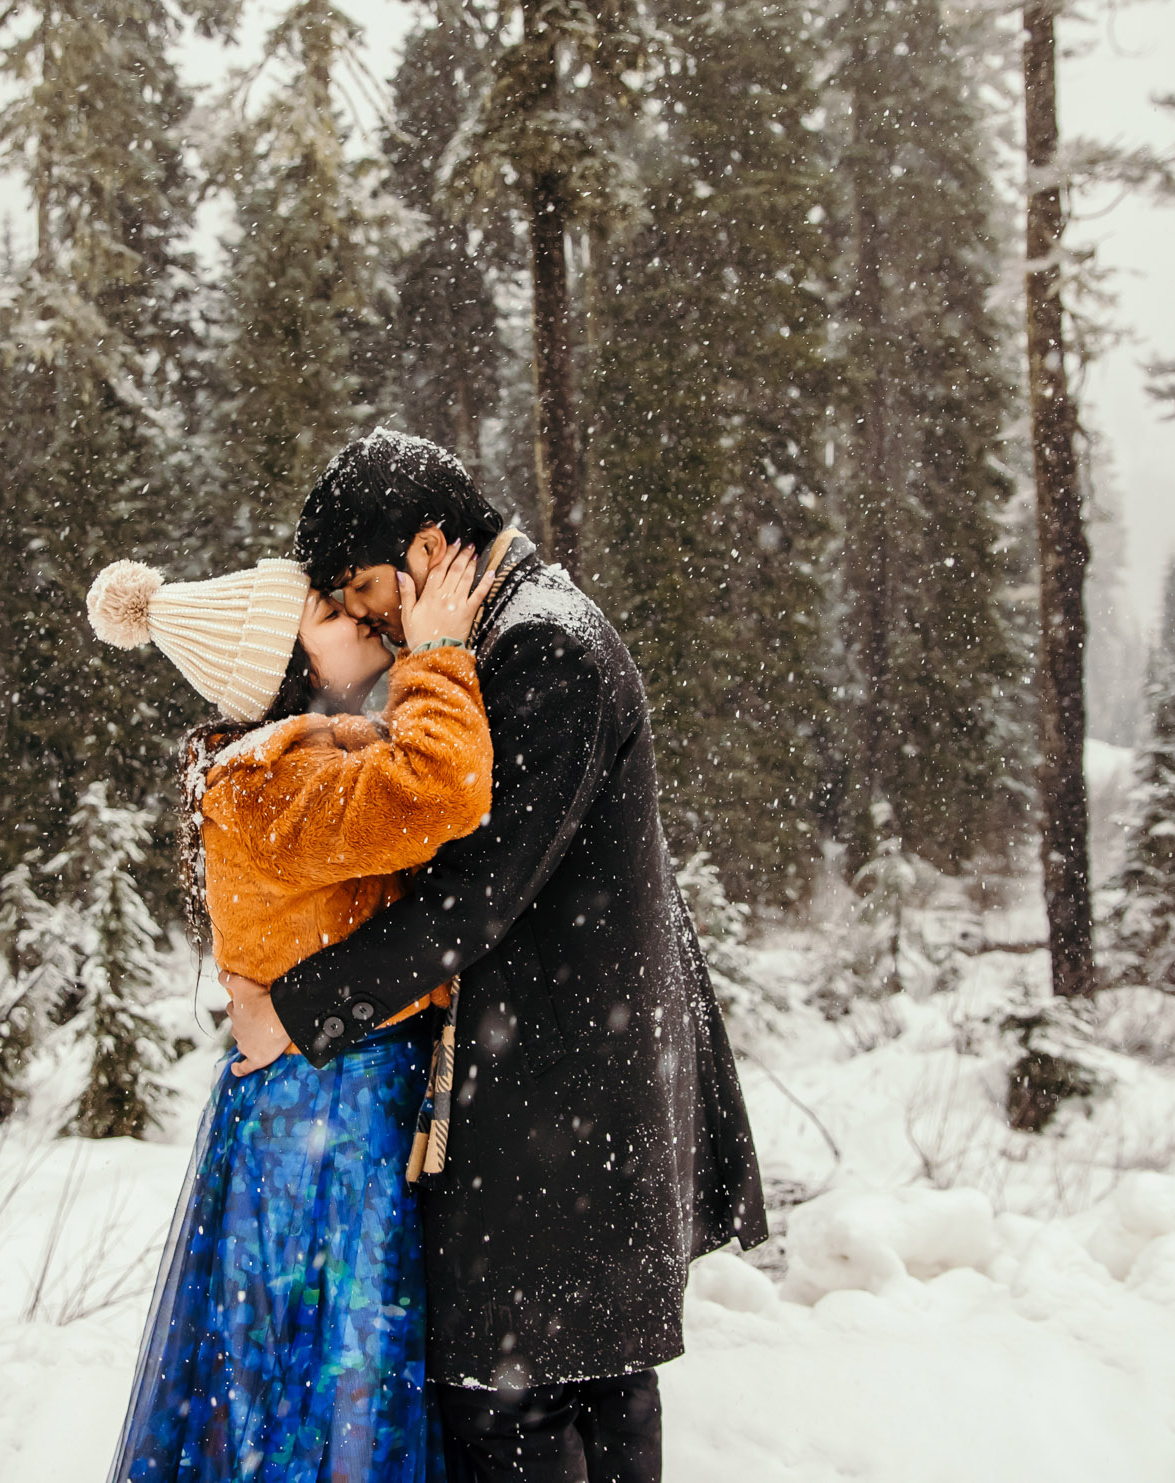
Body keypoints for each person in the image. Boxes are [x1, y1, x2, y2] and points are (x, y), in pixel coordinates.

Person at [223, 430, 770, 1483]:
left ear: (427, 546)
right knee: (591, 1410)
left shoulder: (543, 645)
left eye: (363, 584)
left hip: (559, 1131)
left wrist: (296, 1010)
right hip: (567, 1125)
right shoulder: (516, 629)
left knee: (514, 1417)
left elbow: (474, 895)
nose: (363, 611)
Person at [87, 543, 501, 1483]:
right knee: (330, 1371)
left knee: (290, 1374)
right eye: (325, 613)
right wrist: (437, 651)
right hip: (328, 1122)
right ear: (287, 665)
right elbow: (444, 786)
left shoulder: (293, 769)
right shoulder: (277, 780)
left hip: (313, 1108)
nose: (356, 617)